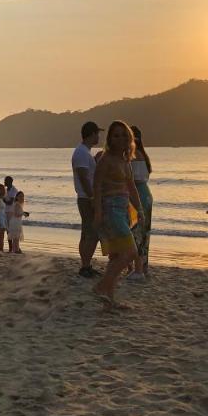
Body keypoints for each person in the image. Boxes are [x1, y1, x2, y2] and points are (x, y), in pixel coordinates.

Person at [93, 121, 145, 309]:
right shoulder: (105, 159)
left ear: (129, 138)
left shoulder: (125, 161)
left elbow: (131, 187)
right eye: (116, 135)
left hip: (123, 210)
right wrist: (98, 212)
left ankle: (110, 298)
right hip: (110, 209)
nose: (121, 139)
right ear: (110, 139)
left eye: (124, 135)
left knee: (116, 257)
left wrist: (139, 209)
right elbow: (97, 186)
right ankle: (101, 287)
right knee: (130, 252)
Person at [72, 121, 102, 278]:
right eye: (97, 133)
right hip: (86, 197)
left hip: (85, 196)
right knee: (92, 232)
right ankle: (85, 265)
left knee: (87, 232)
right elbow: (84, 177)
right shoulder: (81, 153)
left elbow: (87, 174)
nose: (99, 136)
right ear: (91, 134)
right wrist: (92, 197)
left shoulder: (84, 152)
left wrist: (95, 161)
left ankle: (86, 265)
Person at [128, 125, 153, 280]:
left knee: (136, 233)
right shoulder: (144, 154)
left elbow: (130, 179)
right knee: (144, 233)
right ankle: (142, 267)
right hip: (145, 194)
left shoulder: (134, 155)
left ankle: (137, 269)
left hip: (137, 194)